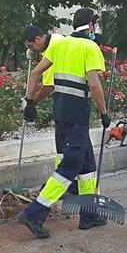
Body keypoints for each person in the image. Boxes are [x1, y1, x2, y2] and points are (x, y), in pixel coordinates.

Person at [17, 8, 110, 238]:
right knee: (70, 166)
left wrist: (30, 102)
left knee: (88, 166)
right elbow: (95, 85)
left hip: (60, 113)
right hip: (78, 114)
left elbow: (36, 73)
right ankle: (34, 213)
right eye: (94, 26)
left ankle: (88, 215)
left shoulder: (60, 45)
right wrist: (104, 112)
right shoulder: (90, 47)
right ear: (90, 25)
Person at [20, 25, 76, 194]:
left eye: (30, 46)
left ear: (38, 39)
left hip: (67, 99)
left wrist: (31, 102)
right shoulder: (57, 40)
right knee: (68, 144)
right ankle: (63, 182)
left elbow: (48, 85)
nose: (31, 50)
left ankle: (64, 185)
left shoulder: (54, 48)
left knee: (65, 143)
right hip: (73, 96)